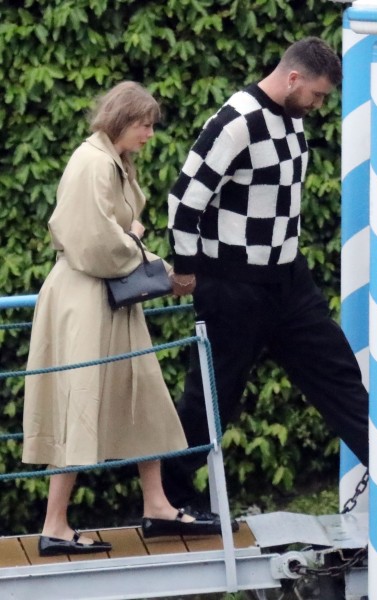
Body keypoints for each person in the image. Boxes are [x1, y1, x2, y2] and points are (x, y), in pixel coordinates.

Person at [163, 37, 369, 509]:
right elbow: (183, 198)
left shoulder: (291, 120)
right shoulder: (237, 120)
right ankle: (169, 502)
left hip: (287, 282)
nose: (318, 105)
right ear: (292, 78)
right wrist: (187, 270)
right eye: (316, 95)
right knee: (210, 401)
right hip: (231, 286)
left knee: (338, 374)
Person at [22, 81, 222, 557]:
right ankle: (54, 525)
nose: (150, 134)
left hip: (110, 298)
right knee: (80, 399)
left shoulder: (114, 162)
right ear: (121, 120)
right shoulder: (94, 162)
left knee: (145, 393)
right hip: (87, 299)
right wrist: (147, 254)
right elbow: (96, 243)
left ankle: (157, 504)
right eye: (144, 124)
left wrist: (140, 249)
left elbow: (112, 237)